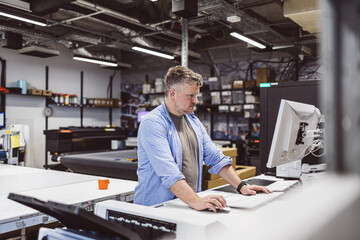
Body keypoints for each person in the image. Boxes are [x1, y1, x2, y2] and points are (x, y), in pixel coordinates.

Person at [134, 65, 271, 212]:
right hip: (155, 209)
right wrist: (196, 201)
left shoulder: (192, 121)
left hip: (186, 205)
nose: (196, 101)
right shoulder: (153, 123)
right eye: (190, 96)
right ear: (173, 93)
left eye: (196, 95)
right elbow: (169, 173)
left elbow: (216, 158)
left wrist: (242, 186)